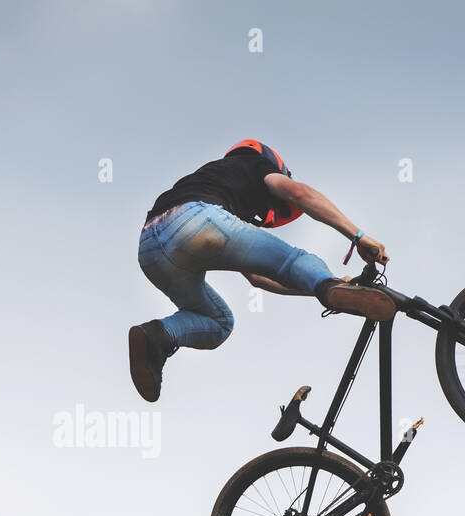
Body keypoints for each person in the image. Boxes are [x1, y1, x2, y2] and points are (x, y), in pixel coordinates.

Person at [130, 140, 396, 402]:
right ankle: (327, 286)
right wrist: (358, 237)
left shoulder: (213, 179)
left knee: (218, 322)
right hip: (198, 219)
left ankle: (157, 335)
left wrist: (331, 287)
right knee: (294, 259)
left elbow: (258, 278)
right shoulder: (256, 164)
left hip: (149, 248)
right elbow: (300, 194)